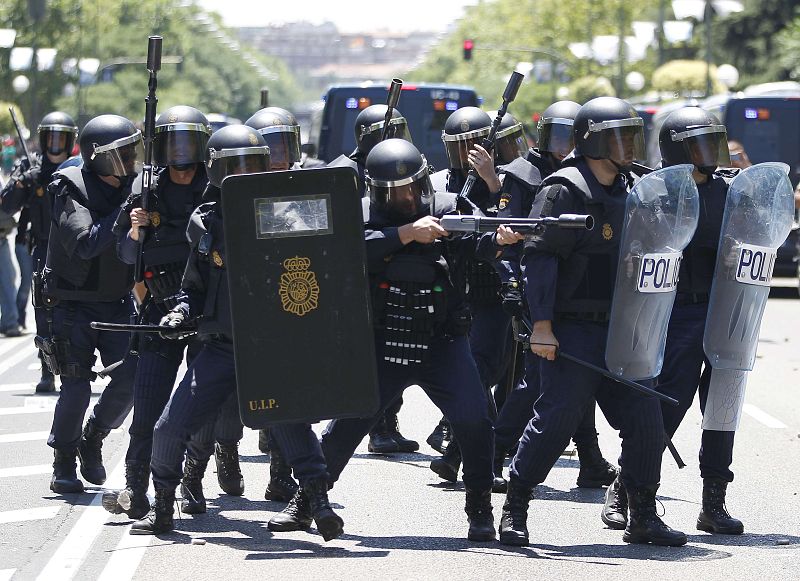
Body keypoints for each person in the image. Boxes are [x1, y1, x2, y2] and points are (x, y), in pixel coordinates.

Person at [269, 138, 496, 542]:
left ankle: (479, 505)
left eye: (411, 188)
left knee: (475, 420)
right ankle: (309, 501)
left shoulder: (447, 207)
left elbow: (481, 239)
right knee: (343, 429)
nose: (405, 197)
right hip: (381, 343)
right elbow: (340, 252)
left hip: (441, 342)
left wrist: (500, 239)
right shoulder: (358, 215)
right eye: (393, 191)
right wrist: (406, 233)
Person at [132, 125, 344, 542]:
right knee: (169, 428)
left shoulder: (291, 213)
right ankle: (161, 509)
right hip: (222, 347)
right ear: (217, 172)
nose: (246, 175)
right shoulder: (205, 223)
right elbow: (193, 291)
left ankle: (318, 505)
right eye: (236, 168)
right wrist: (178, 313)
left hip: (274, 347)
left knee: (289, 422)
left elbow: (324, 267)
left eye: (254, 166)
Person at [498, 97, 687, 547]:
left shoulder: (634, 188)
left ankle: (642, 513)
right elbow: (540, 260)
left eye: (632, 137)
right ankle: (516, 505)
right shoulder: (564, 189)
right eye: (620, 137)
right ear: (594, 142)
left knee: (646, 420)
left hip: (625, 328)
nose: (629, 147)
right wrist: (541, 326)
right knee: (557, 418)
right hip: (573, 328)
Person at [102, 105, 244, 519]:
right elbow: (125, 255)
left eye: (188, 141)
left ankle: (191, 483)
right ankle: (136, 489)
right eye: (171, 141)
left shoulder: (218, 188)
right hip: (158, 312)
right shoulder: (145, 192)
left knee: (200, 410)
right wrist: (135, 229)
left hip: (205, 314)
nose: (179, 152)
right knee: (147, 406)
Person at [491, 101, 617, 492]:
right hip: (541, 291)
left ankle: (591, 461)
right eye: (556, 136)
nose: (563, 146)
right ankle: (488, 454)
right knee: (536, 385)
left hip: (579, 298)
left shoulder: (595, 177)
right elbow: (512, 241)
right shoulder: (528, 175)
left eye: (570, 136)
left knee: (573, 384)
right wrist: (518, 291)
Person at [643, 107, 743, 535]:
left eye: (711, 142)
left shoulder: (730, 191)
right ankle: (632, 492)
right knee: (668, 405)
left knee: (721, 408)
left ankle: (714, 503)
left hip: (724, 311)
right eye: (698, 144)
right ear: (677, 149)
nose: (709, 153)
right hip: (678, 312)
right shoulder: (660, 192)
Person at [40, 114, 141, 494]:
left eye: (133, 150)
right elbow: (84, 244)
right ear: (101, 157)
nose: (132, 159)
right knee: (76, 386)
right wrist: (126, 210)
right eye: (124, 153)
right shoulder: (70, 188)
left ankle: (94, 435)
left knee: (133, 376)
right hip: (71, 305)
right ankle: (63, 459)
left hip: (116, 303)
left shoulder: (136, 184)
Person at [428, 109, 522, 485]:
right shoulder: (446, 183)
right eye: (461, 147)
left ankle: (456, 449)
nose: (470, 153)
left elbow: (512, 217)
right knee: (479, 370)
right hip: (458, 290)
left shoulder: (504, 179)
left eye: (476, 145)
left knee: (490, 370)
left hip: (495, 289)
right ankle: (464, 453)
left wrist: (491, 180)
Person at [328, 103, 419, 455]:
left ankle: (388, 425)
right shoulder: (344, 172)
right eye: (390, 135)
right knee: (369, 359)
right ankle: (372, 428)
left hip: (392, 268)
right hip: (359, 272)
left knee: (393, 352)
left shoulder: (404, 167)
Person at [1, 112, 78, 389]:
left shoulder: (78, 168)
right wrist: (23, 181)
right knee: (43, 313)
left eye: (62, 138)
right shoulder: (29, 167)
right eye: (51, 137)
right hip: (42, 248)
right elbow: (6, 207)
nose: (55, 144)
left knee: (73, 312)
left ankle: (76, 367)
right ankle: (47, 372)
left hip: (74, 250)